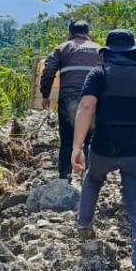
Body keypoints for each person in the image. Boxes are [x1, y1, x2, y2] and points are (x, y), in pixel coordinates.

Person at [71, 29, 136, 271]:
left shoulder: (99, 75)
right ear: (135, 53)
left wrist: (77, 147)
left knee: (92, 179)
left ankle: (84, 226)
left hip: (105, 148)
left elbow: (86, 108)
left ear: (108, 53)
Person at [40, 20, 103, 179]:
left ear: (70, 32)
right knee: (90, 140)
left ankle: (64, 177)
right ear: (88, 33)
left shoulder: (62, 48)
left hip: (68, 99)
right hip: (93, 100)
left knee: (67, 140)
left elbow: (48, 71)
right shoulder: (99, 50)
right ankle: (89, 179)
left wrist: (45, 95)